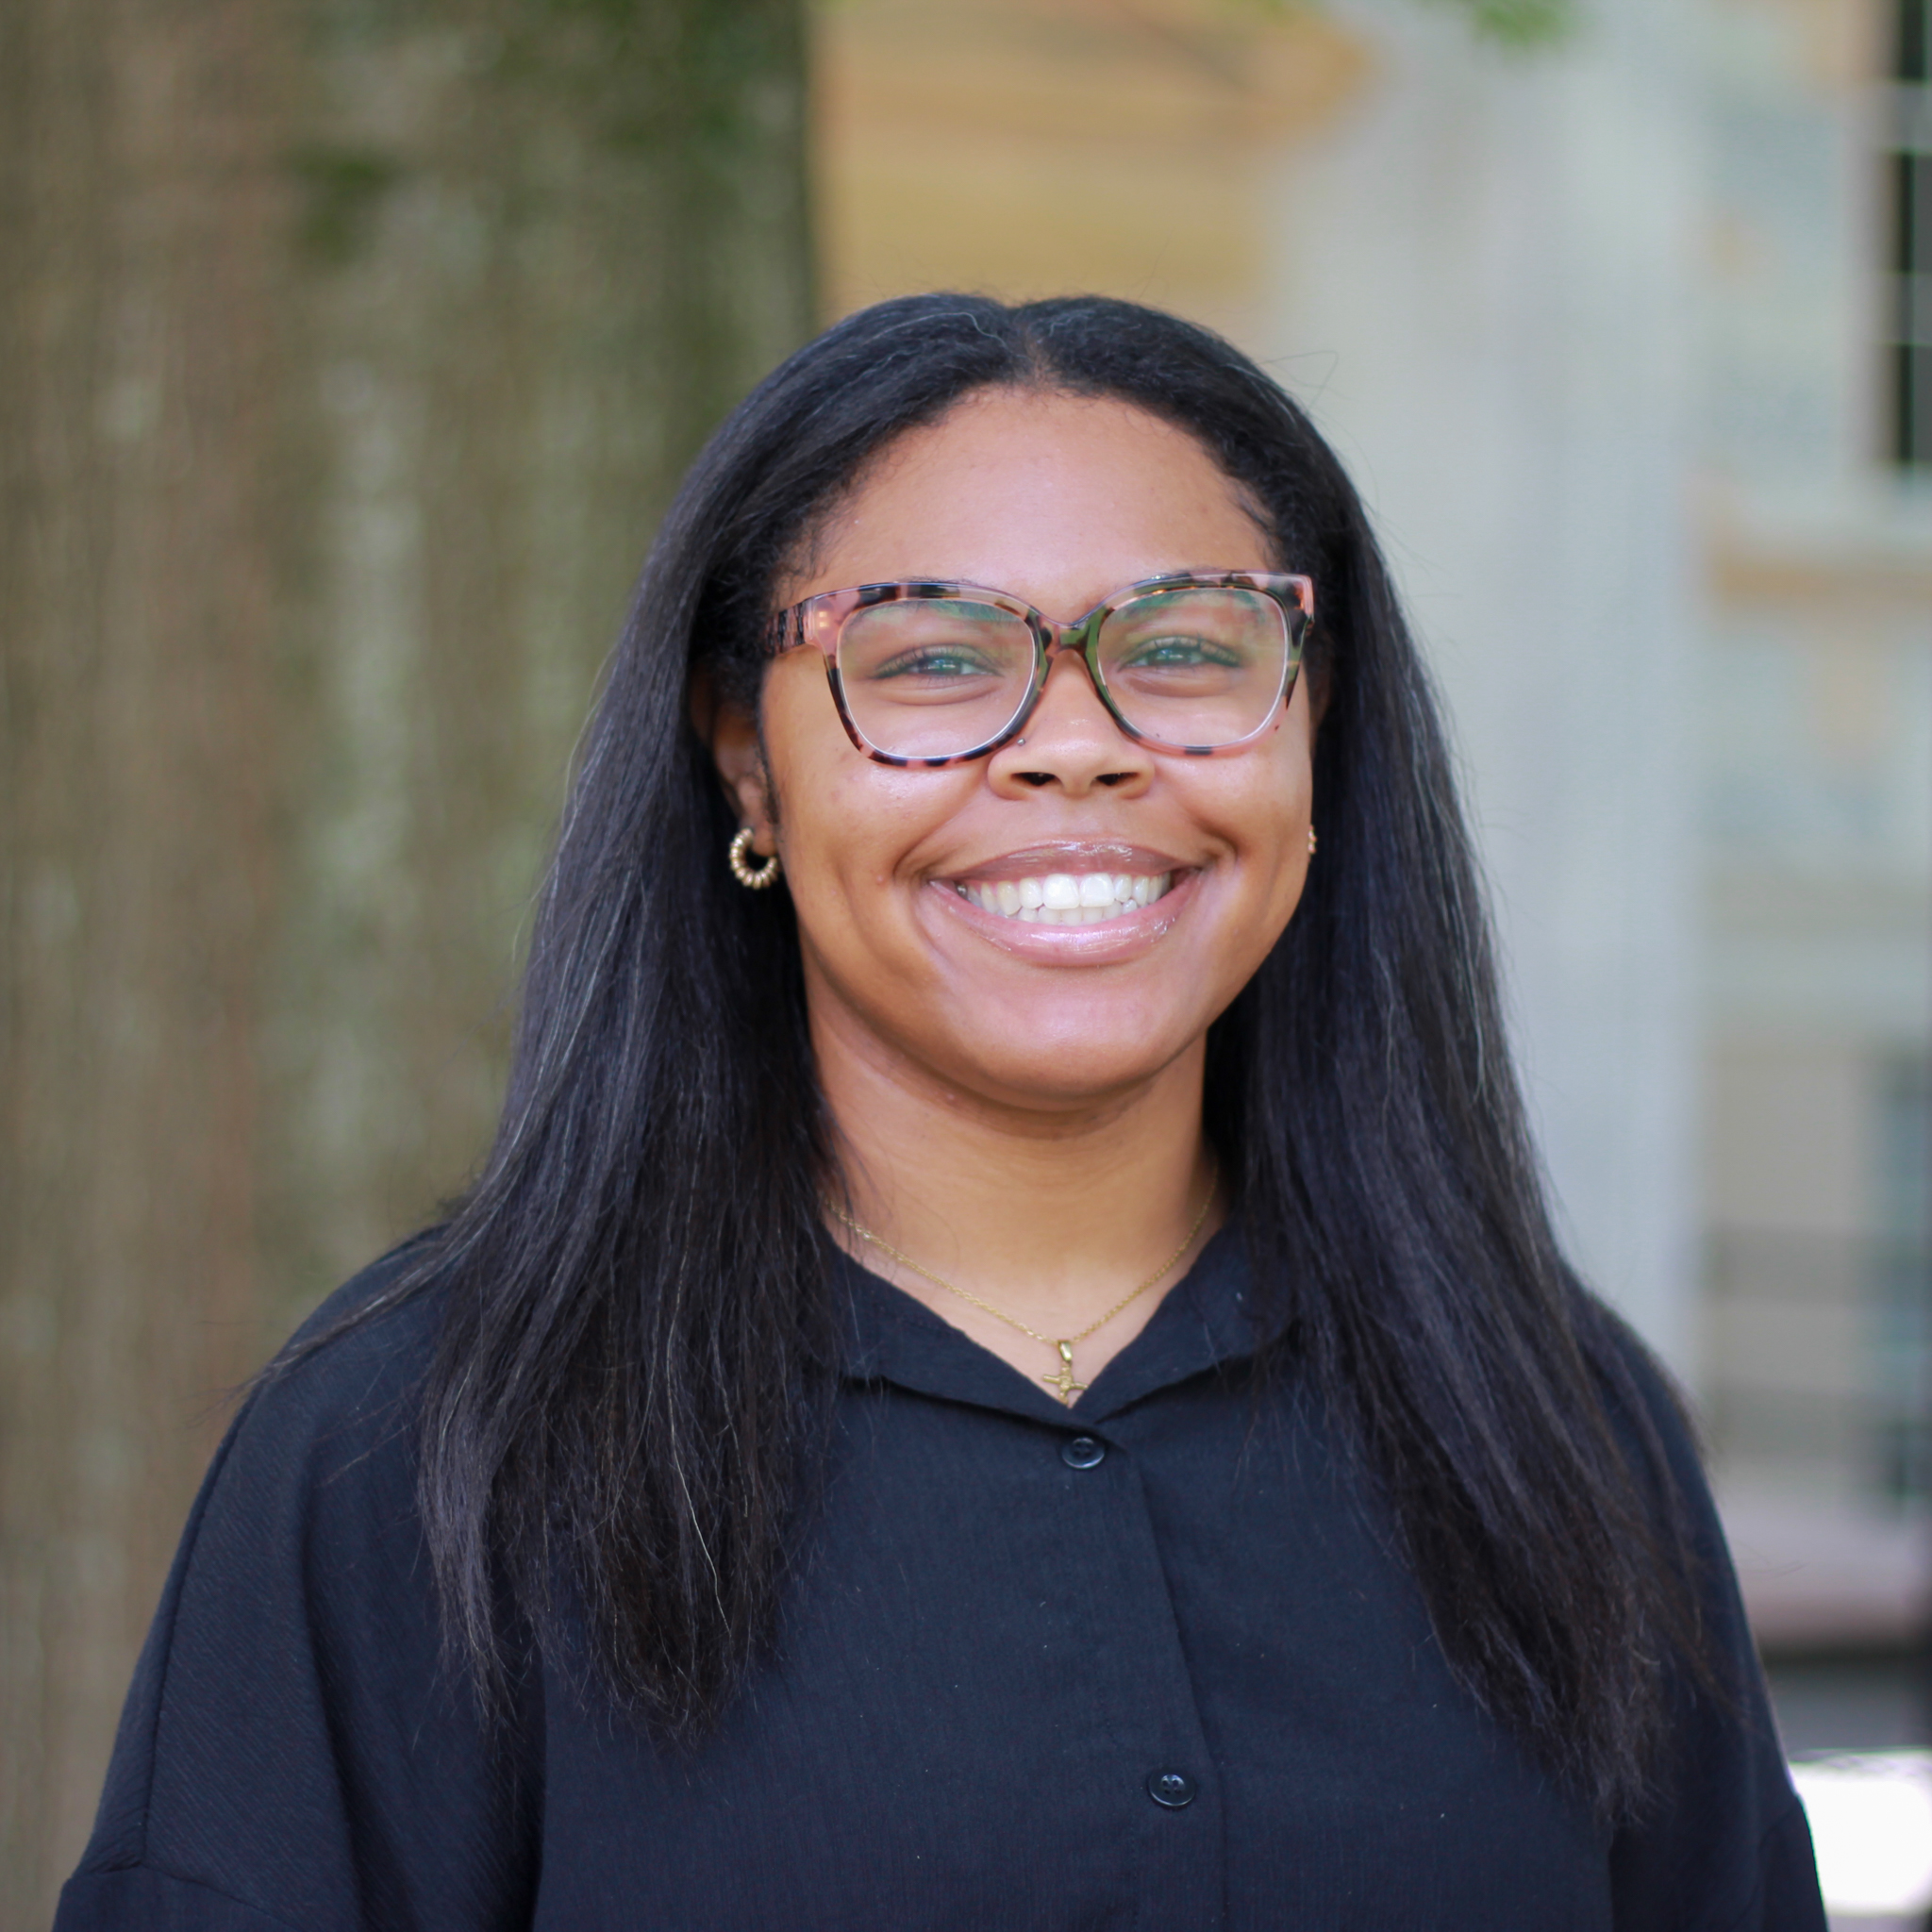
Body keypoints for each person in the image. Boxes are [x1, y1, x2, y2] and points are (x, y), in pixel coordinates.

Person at [56, 295, 1825, 1930]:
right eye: (930, 661)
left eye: (1185, 647)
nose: (1076, 743)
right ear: (745, 758)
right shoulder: (418, 1446)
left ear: (1320, 732)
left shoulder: (1550, 1421)